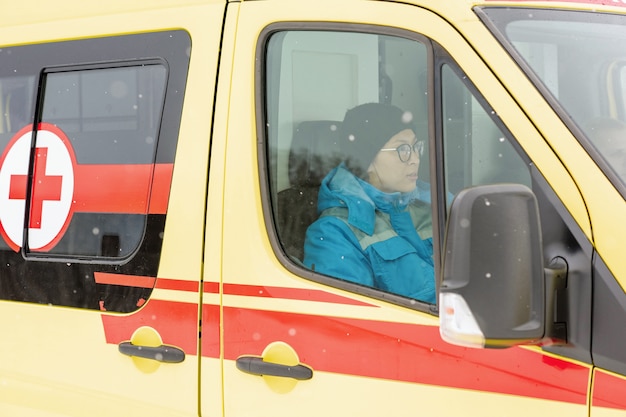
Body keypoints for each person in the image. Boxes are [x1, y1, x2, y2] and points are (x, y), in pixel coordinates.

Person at [303, 102, 435, 303]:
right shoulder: (334, 232)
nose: (415, 159)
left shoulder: (435, 202)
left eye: (416, 147)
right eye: (402, 149)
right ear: (367, 157)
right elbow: (351, 322)